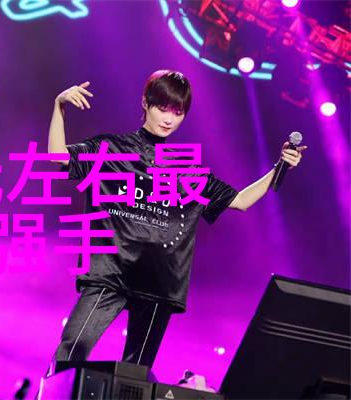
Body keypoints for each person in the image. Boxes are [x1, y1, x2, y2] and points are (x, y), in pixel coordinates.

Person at [46, 70, 307, 371]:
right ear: (145, 103)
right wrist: (59, 105)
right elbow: (58, 158)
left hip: (159, 283)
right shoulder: (111, 149)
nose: (169, 119)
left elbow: (240, 201)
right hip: (110, 273)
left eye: (178, 112)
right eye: (163, 108)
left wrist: (280, 167)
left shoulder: (187, 171)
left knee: (135, 374)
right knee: (71, 350)